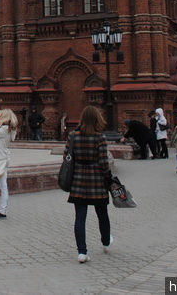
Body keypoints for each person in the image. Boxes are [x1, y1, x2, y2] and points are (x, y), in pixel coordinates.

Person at [67, 105, 112, 263]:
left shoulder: (73, 136)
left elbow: (67, 157)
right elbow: (104, 162)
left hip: (78, 181)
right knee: (102, 214)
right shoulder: (100, 137)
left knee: (80, 217)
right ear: (97, 119)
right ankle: (106, 242)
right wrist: (108, 177)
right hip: (97, 181)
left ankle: (82, 252)